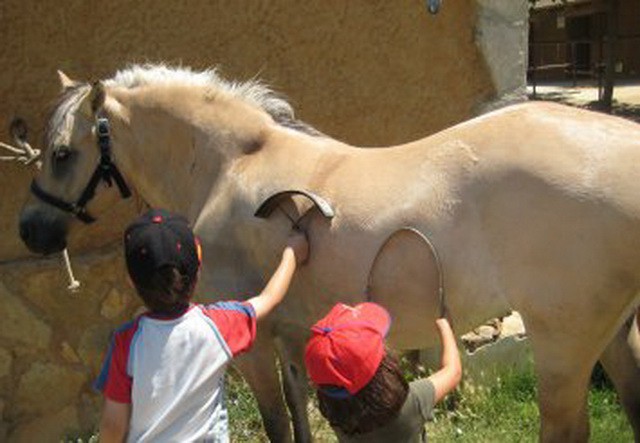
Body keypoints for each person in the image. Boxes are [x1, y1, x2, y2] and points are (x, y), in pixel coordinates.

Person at [95, 208, 308, 442]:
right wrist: (292, 254)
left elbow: (113, 424)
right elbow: (268, 299)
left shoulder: (125, 343)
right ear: (198, 271)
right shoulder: (216, 326)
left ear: (131, 282)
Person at [304, 302, 461, 442]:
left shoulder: (336, 413)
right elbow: (453, 371)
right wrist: (445, 328)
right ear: (382, 365)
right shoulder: (411, 402)